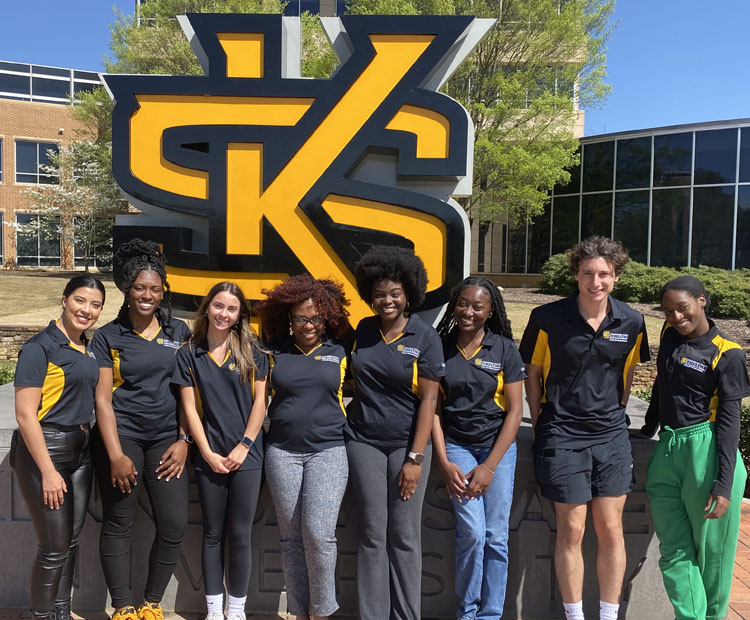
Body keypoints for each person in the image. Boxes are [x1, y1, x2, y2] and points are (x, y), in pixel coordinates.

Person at [519, 236, 650, 620]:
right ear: (576, 274)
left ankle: (608, 616)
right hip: (561, 436)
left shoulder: (632, 320)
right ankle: (574, 616)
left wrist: (616, 412)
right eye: (588, 273)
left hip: (611, 436)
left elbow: (628, 375)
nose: (596, 281)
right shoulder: (546, 318)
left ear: (616, 276)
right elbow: (533, 374)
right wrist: (542, 422)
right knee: (571, 530)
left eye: (604, 274)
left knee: (611, 530)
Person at [91, 239, 191, 620]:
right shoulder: (108, 336)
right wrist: (116, 454)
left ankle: (151, 602)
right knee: (119, 523)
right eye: (139, 287)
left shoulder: (178, 331)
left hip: (167, 440)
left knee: (174, 524)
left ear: (163, 289)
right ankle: (122, 607)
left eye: (154, 288)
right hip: (124, 438)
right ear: (126, 290)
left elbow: (187, 391)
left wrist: (183, 441)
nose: (147, 295)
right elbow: (103, 400)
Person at [637, 276, 748, 620]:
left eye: (682, 308)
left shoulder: (726, 353)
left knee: (712, 558)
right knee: (674, 550)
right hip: (669, 448)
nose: (675, 317)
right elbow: (662, 384)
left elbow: (731, 422)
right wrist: (648, 427)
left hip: (707, 450)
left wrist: (724, 483)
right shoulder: (670, 337)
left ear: (702, 301)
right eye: (668, 311)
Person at [345, 246, 444, 620]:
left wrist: (415, 459)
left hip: (408, 445)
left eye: (395, 293)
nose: (387, 300)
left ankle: (406, 615)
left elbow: (430, 402)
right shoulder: (364, 330)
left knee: (404, 536)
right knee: (372, 533)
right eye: (380, 293)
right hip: (363, 441)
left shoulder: (425, 336)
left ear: (409, 295)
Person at [255, 274, 351, 620]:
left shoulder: (339, 351)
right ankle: (299, 611)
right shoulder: (274, 351)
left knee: (319, 533)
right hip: (282, 452)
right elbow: (258, 400)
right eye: (300, 318)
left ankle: (321, 612)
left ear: (328, 317)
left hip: (328, 449)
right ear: (288, 319)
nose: (308, 325)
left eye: (316, 317)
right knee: (291, 538)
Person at [11, 275, 106, 620]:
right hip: (46, 452)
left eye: (95, 305)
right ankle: (40, 616)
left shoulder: (87, 346)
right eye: (80, 300)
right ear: (64, 300)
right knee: (53, 548)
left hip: (81, 450)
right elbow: (24, 414)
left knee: (69, 541)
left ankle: (60, 612)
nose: (87, 310)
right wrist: (48, 471)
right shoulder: (41, 347)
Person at [173, 281, 268, 620]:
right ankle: (214, 609)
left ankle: (237, 610)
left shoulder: (252, 351)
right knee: (212, 534)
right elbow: (190, 411)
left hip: (248, 457)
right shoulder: (188, 353)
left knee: (240, 534)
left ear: (240, 314)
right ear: (207, 307)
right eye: (218, 306)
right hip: (208, 457)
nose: (223, 314)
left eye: (231, 308)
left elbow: (261, 402)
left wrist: (245, 445)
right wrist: (207, 453)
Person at [432, 277, 526, 620]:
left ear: (490, 312)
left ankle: (490, 614)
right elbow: (433, 410)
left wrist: (489, 467)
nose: (468, 312)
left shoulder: (503, 349)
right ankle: (467, 611)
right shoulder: (439, 347)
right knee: (471, 533)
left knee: (495, 536)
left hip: (496, 449)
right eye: (463, 304)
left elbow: (516, 411)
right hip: (457, 447)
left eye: (477, 306)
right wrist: (443, 462)